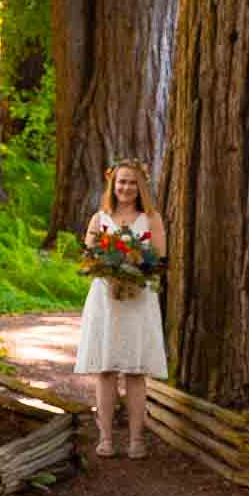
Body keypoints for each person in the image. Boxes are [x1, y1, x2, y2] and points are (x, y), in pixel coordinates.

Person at [74, 157, 168, 458]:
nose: (126, 187)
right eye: (121, 182)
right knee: (106, 368)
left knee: (135, 370)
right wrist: (110, 271)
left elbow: (161, 259)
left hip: (138, 299)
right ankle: (105, 437)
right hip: (106, 299)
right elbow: (89, 258)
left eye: (131, 182)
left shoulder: (151, 219)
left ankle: (136, 439)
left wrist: (137, 270)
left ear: (140, 187)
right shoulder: (99, 218)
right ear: (112, 185)